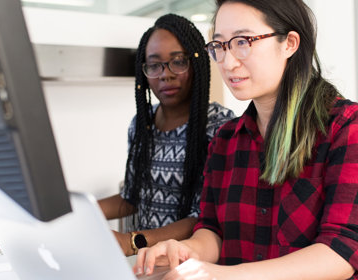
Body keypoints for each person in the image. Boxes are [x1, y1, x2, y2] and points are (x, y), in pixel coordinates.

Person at [134, 0, 358, 279]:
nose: (227, 62)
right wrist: (186, 250)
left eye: (243, 41)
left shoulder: (345, 127)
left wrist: (226, 275)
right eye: (219, 46)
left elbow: (342, 251)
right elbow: (212, 230)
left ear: (289, 43)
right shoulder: (225, 139)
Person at [98, 14, 234, 257]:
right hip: (147, 262)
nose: (165, 74)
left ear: (196, 64)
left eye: (178, 62)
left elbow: (204, 217)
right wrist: (79, 212)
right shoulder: (142, 124)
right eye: (154, 65)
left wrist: (132, 242)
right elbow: (132, 197)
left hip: (191, 261)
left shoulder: (219, 127)